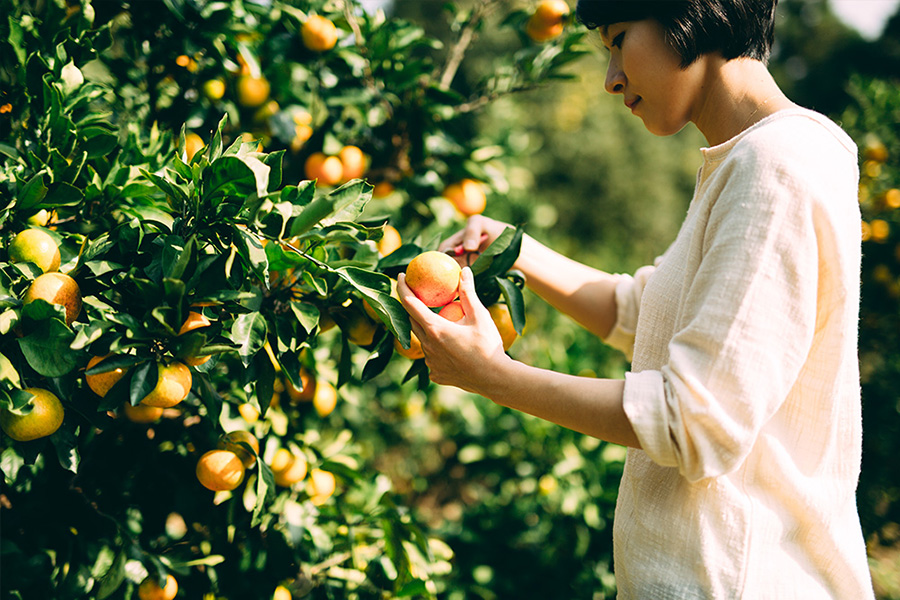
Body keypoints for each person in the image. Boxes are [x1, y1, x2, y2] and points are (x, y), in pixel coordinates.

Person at [396, 0, 877, 597]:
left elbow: (692, 420)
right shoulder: (747, 161)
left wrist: (493, 376)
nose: (611, 78)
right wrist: (515, 248)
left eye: (619, 39)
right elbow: (644, 313)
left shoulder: (775, 165)